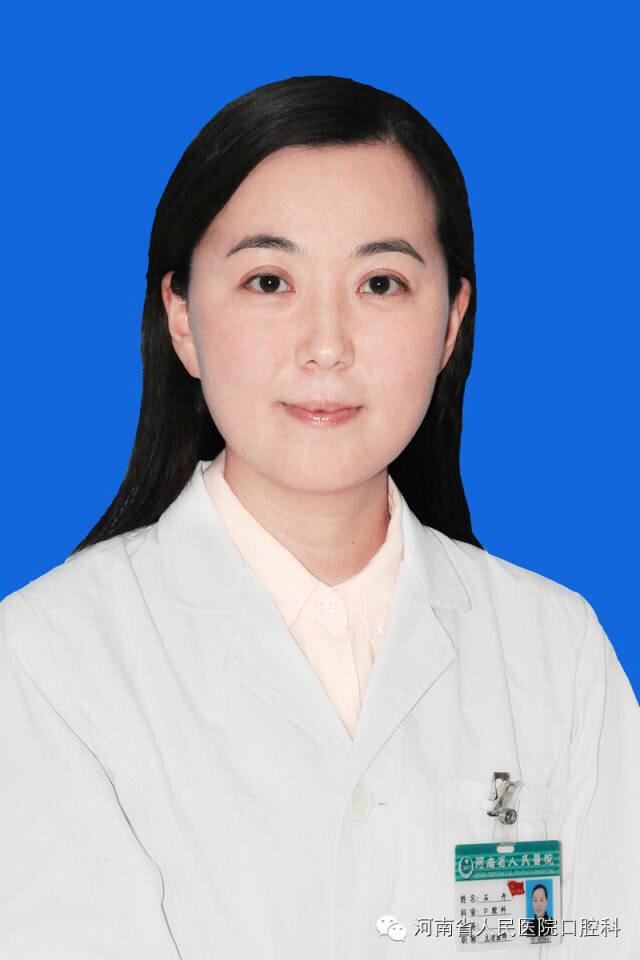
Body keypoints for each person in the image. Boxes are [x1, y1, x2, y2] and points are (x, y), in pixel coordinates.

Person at [1, 75, 638, 959]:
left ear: (451, 323)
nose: (327, 346)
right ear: (181, 317)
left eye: (381, 283)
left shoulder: (556, 651)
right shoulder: (47, 657)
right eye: (269, 281)